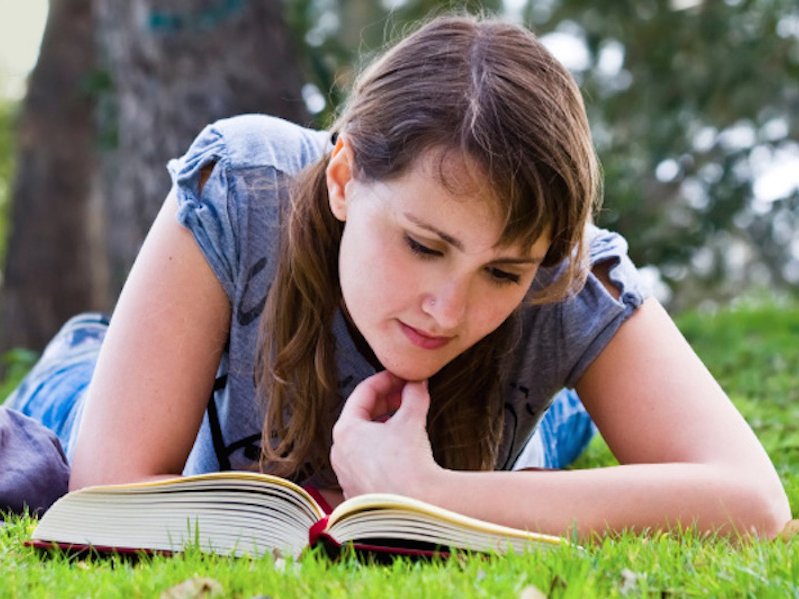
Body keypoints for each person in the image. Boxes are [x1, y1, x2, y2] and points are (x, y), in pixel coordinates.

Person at [4, 14, 789, 538]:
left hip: (463, 434)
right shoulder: (244, 182)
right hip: (96, 378)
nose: (448, 307)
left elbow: (752, 501)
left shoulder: (564, 268)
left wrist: (435, 494)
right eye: (422, 244)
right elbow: (104, 493)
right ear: (344, 176)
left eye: (502, 271)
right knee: (75, 397)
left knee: (545, 425)